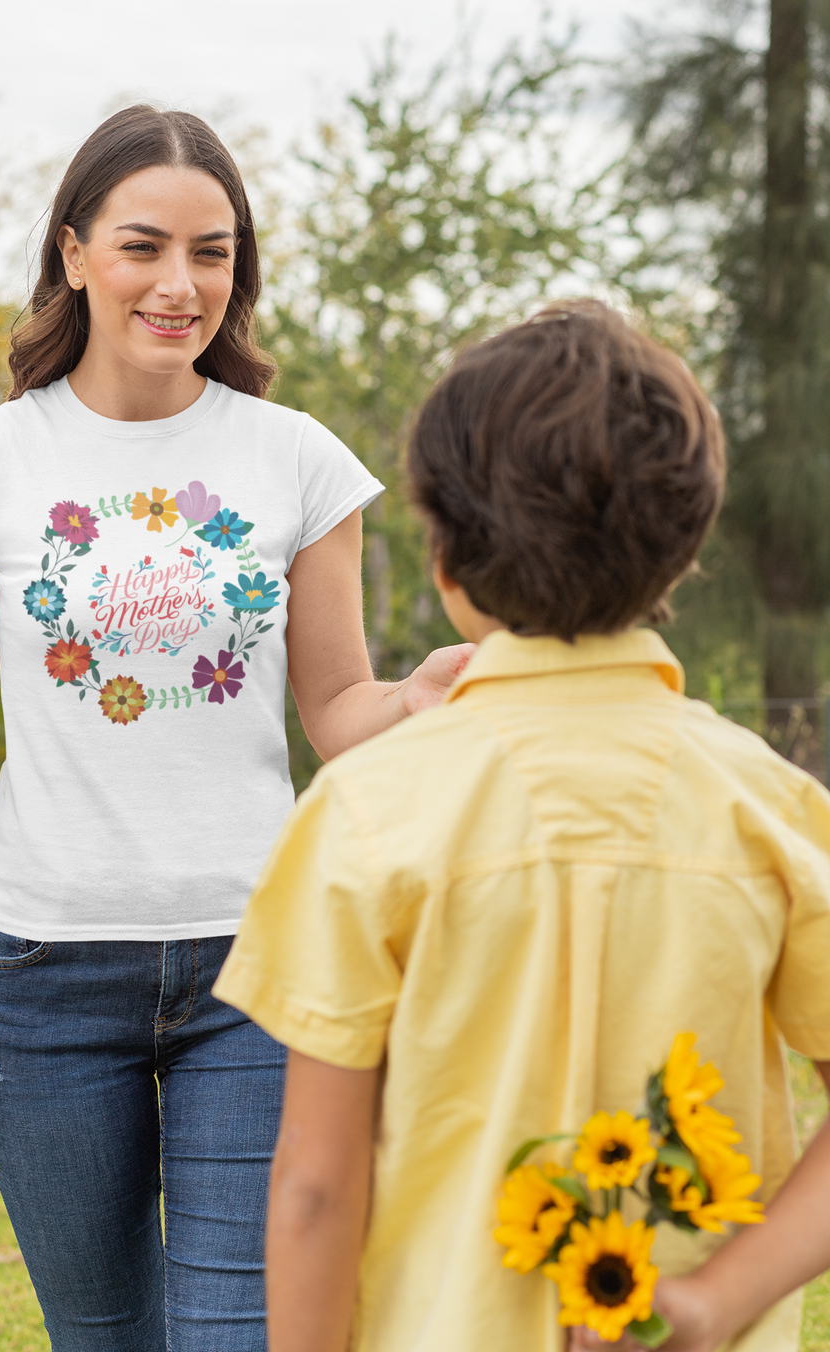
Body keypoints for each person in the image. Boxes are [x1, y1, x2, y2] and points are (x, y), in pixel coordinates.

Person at [0, 106, 470, 1352]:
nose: (180, 284)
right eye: (143, 246)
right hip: (44, 969)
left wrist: (407, 704)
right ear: (74, 252)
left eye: (214, 251)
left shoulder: (297, 461)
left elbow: (337, 707)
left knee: (236, 1331)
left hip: (257, 961)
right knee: (105, 1332)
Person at [214, 302, 830, 1352]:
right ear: (684, 550)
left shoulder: (365, 813)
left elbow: (315, 1187)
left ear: (447, 562)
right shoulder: (773, 809)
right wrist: (720, 1298)